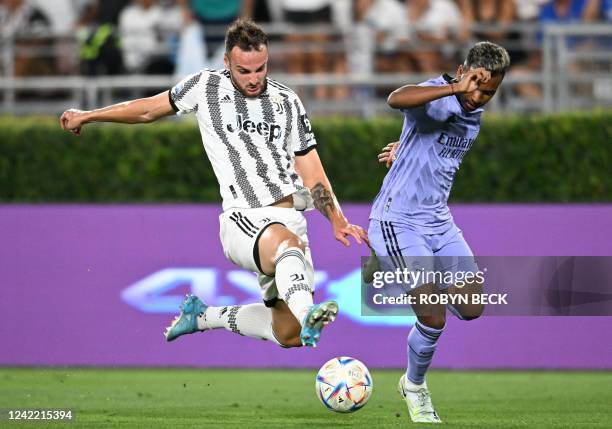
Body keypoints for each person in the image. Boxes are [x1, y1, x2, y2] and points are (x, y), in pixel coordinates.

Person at [60, 18, 367, 348]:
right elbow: (148, 110)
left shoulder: (287, 102)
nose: (253, 79)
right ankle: (309, 312)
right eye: (243, 71)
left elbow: (312, 173)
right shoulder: (205, 87)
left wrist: (337, 218)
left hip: (292, 218)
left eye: (259, 69)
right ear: (226, 62)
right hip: (244, 219)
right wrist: (90, 114)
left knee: (288, 334)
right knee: (286, 247)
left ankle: (204, 317)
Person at [366, 41, 510, 423]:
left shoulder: (472, 114)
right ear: (463, 70)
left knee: (472, 307)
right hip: (398, 220)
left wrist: (405, 150)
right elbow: (397, 99)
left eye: (489, 92)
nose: (479, 97)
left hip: (439, 222)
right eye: (476, 86)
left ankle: (395, 266)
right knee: (433, 316)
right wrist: (454, 88)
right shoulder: (443, 94)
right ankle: (415, 386)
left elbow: (431, 148)